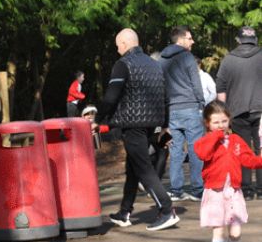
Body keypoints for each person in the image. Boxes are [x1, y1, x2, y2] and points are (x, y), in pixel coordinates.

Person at [96, 28, 179, 231]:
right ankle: (125, 212)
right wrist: (164, 126)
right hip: (154, 124)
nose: (117, 50)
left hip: (133, 125)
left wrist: (98, 119)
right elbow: (166, 98)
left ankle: (167, 210)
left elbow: (111, 97)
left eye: (118, 46)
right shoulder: (155, 65)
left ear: (124, 44)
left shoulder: (123, 64)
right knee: (133, 167)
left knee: (143, 168)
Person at [194, 101, 262, 242]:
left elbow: (248, 160)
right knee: (218, 231)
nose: (220, 125)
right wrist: (216, 136)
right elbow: (203, 154)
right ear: (207, 123)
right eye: (215, 122)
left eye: (224, 121)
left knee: (235, 233)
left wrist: (260, 160)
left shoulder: (236, 141)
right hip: (214, 193)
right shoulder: (205, 142)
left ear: (229, 120)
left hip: (233, 193)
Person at [216, 26, 262, 200]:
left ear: (238, 40)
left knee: (242, 150)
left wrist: (223, 114)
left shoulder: (228, 60)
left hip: (237, 111)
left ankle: (247, 189)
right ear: (255, 40)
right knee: (260, 149)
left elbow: (221, 88)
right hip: (261, 110)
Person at [160, 26, 205, 202]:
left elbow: (161, 87)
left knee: (176, 150)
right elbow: (196, 83)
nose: (192, 41)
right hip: (190, 107)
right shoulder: (187, 57)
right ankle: (197, 189)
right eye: (190, 38)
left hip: (171, 109)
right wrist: (201, 103)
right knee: (195, 149)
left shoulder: (162, 59)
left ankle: (176, 189)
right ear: (180, 40)